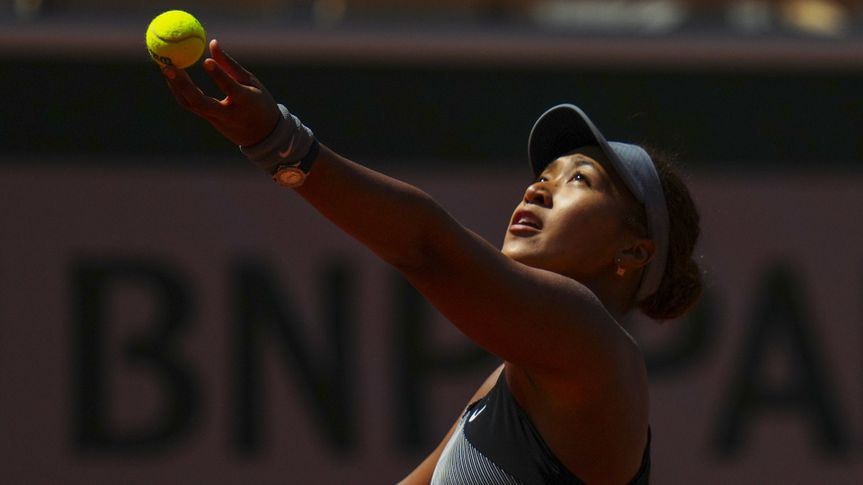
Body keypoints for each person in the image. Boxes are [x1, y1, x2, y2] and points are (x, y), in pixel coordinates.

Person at [162, 39, 702, 485]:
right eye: (545, 175)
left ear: (633, 251)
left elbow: (425, 247)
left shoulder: (596, 352)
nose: (539, 189)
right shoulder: (508, 380)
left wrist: (277, 141)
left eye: (579, 180)